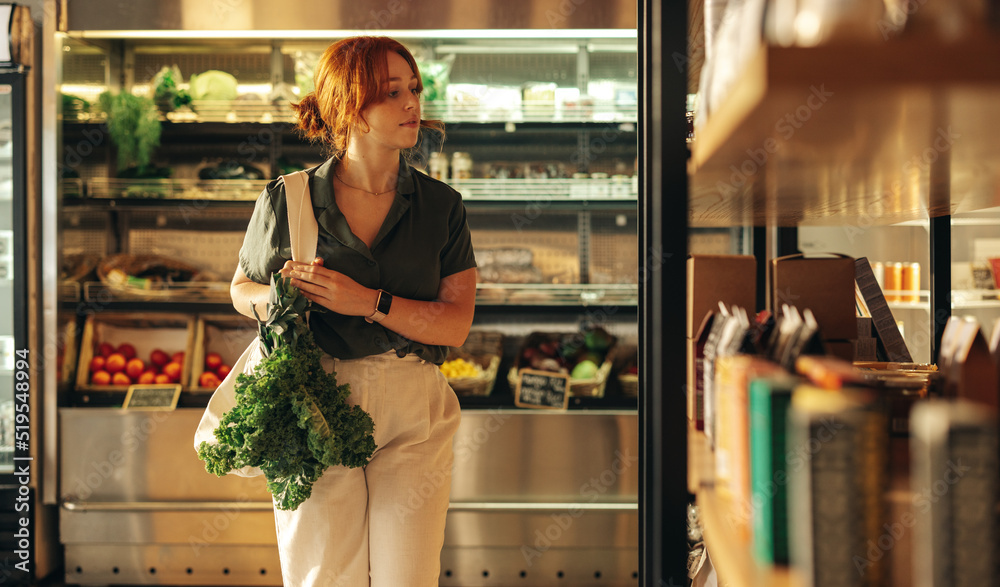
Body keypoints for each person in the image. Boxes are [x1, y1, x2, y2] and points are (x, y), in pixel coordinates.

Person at [230, 36, 477, 587]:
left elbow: (456, 322)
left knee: (407, 577)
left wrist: (365, 301)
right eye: (392, 93)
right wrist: (278, 299)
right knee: (323, 576)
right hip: (313, 401)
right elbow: (241, 288)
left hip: (412, 406)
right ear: (348, 104)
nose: (413, 103)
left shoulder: (442, 207)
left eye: (413, 88)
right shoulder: (287, 198)